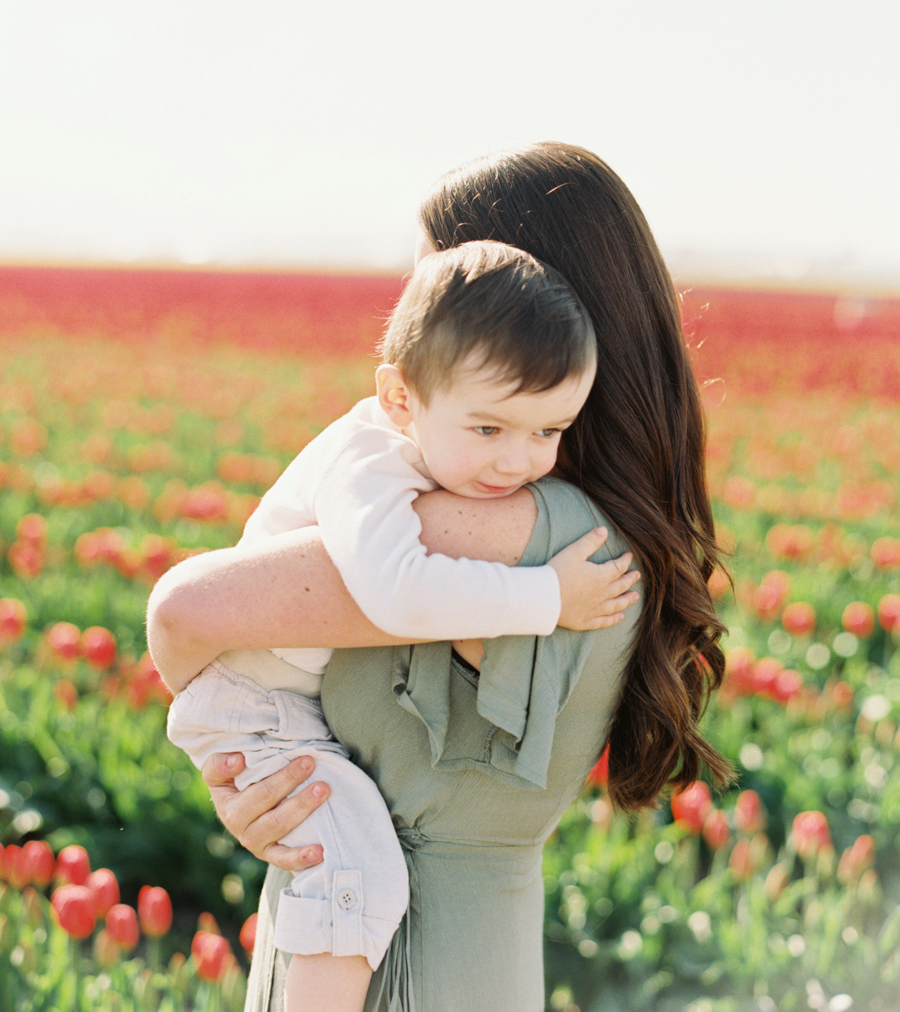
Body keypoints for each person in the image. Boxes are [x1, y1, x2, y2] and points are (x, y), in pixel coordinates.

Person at [147, 141, 732, 1012]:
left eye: (434, 286)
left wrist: (248, 756)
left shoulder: (504, 531)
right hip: (476, 952)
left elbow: (184, 610)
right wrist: (269, 779)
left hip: (403, 966)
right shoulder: (614, 529)